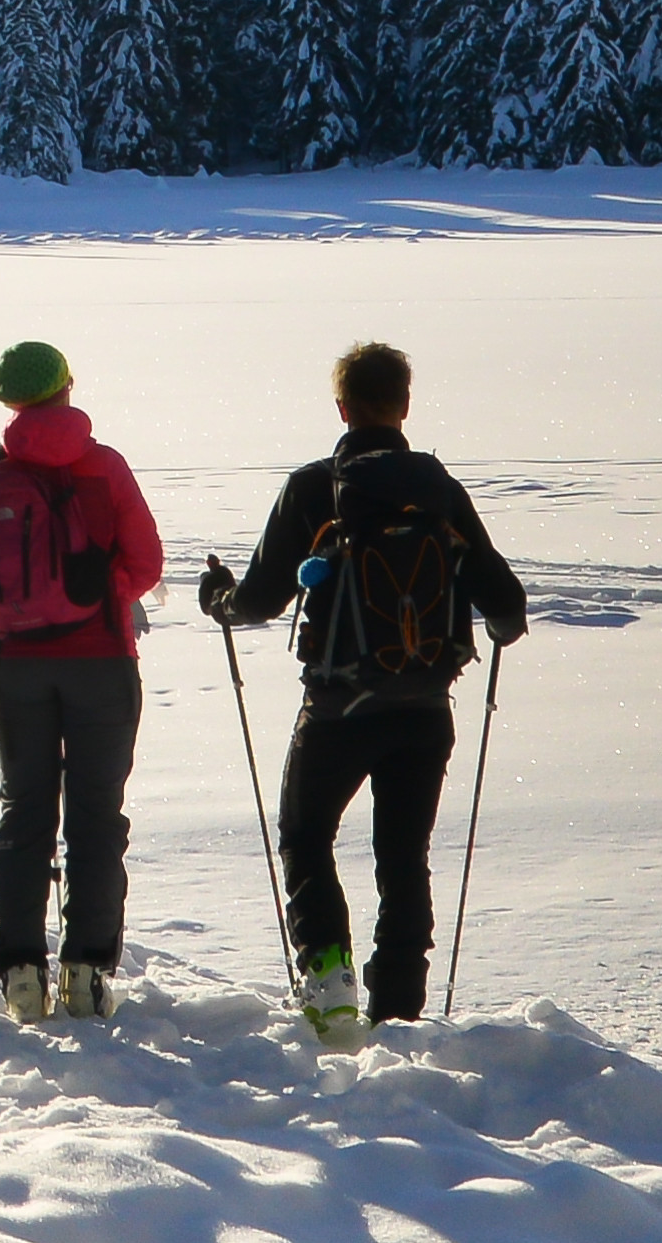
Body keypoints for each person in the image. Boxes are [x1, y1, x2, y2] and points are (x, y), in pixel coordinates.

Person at [206, 337, 526, 1041]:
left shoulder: (314, 487)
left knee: (306, 835)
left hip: (337, 708)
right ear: (405, 405)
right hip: (422, 705)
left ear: (343, 407)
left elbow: (260, 601)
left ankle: (329, 987)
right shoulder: (438, 490)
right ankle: (401, 1007)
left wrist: (219, 601)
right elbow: (505, 603)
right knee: (402, 857)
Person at [0, 342, 162, 1024]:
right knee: (96, 815)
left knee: (26, 809)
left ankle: (20, 970)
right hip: (102, 659)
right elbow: (147, 560)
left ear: (10, 401)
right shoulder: (102, 466)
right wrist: (101, 599)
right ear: (66, 386)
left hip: (15, 661)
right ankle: (85, 971)